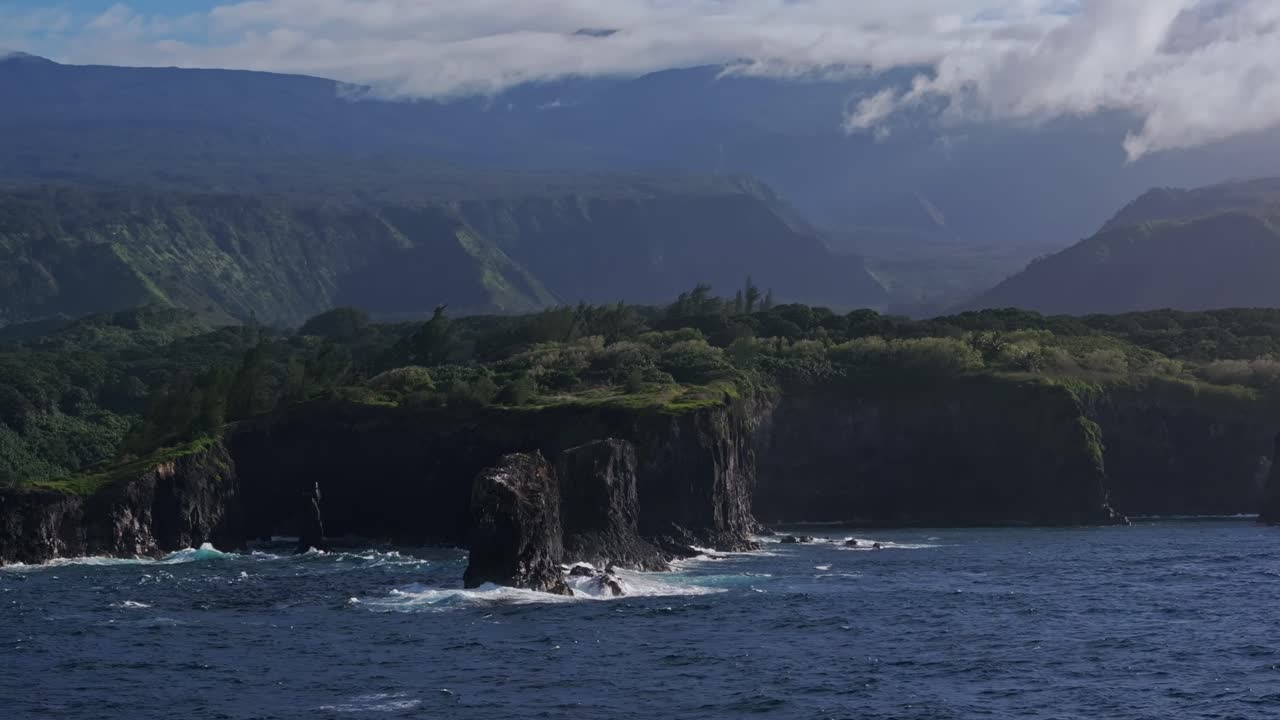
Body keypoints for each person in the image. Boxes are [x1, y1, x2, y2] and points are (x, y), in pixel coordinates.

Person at [297, 482, 325, 553]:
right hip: (311, 531)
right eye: (316, 489)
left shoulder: (314, 502)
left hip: (313, 531)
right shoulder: (309, 502)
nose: (318, 491)